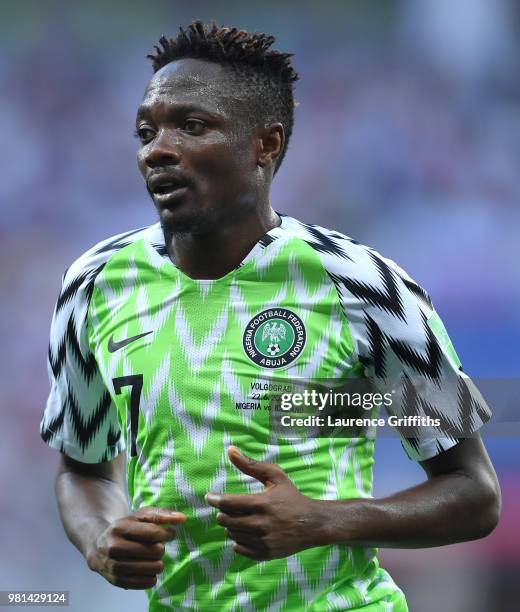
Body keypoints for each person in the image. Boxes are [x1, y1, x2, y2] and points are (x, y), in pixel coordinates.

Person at [40, 20, 501, 611]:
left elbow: (473, 492)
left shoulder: (367, 286)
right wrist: (100, 538)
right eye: (146, 130)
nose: (157, 148)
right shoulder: (93, 284)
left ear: (267, 145)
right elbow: (83, 471)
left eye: (193, 125)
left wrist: (323, 521)